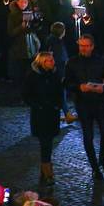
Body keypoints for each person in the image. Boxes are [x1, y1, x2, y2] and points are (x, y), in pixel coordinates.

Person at [65, 34, 104, 180]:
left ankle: (103, 160)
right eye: (81, 46)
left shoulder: (101, 61)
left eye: (86, 46)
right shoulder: (72, 63)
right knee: (88, 137)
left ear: (92, 46)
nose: (83, 49)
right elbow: (67, 83)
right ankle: (94, 167)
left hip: (99, 103)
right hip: (83, 104)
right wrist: (79, 87)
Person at [24, 50, 64, 185]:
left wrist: (58, 105)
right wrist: (37, 105)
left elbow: (60, 91)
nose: (53, 62)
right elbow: (26, 94)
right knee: (45, 143)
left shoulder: (54, 74)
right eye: (49, 60)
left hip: (52, 113)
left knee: (48, 143)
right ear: (42, 62)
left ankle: (44, 173)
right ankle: (47, 173)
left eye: (53, 60)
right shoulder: (33, 76)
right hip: (40, 115)